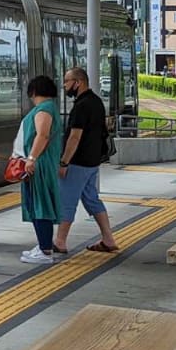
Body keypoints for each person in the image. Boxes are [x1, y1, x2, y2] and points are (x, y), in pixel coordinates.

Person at [54, 67, 120, 254]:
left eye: (67, 82)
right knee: (92, 199)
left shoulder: (81, 106)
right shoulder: (97, 102)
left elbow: (75, 137)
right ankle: (108, 239)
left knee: (67, 200)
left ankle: (60, 242)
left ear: (78, 82)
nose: (65, 86)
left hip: (78, 162)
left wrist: (64, 162)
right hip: (92, 162)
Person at [19, 75, 62, 264]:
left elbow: (42, 135)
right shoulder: (50, 107)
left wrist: (31, 158)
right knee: (36, 203)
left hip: (40, 165)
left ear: (34, 91)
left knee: (40, 205)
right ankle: (43, 245)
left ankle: (45, 250)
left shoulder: (44, 110)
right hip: (43, 162)